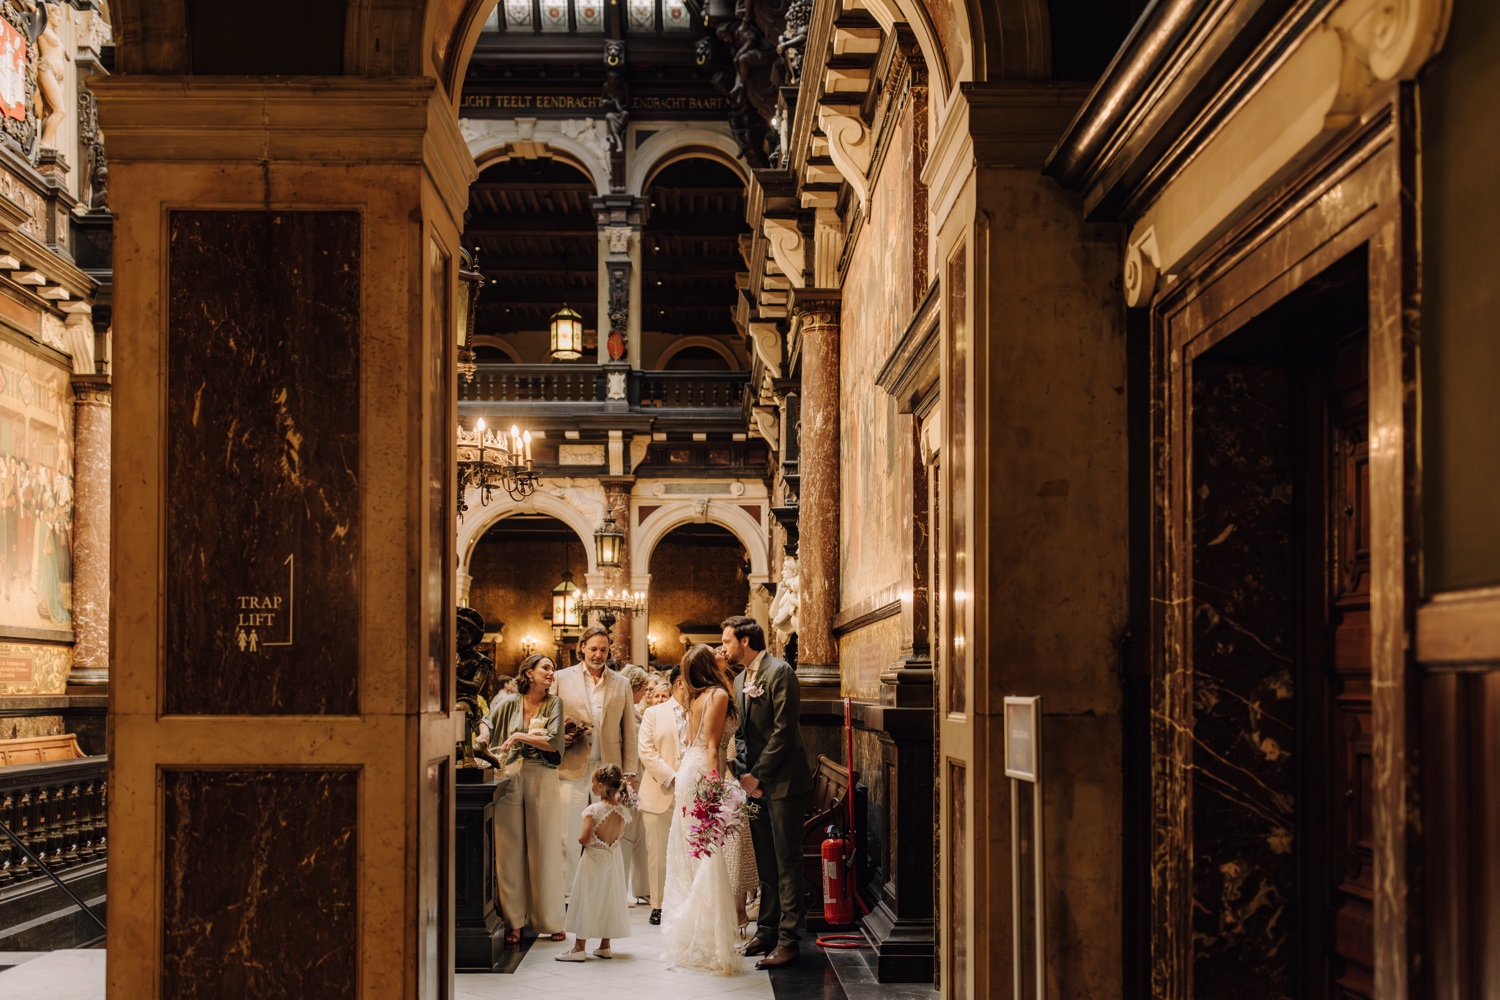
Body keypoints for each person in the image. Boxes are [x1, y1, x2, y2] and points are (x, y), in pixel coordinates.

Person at [724, 615, 813, 969]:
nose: (724, 646)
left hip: (785, 783)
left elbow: (784, 731)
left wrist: (758, 776)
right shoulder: (741, 678)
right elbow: (743, 734)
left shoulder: (781, 672)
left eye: (728, 640)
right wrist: (745, 774)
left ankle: (790, 940)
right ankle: (767, 929)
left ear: (745, 641)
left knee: (787, 860)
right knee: (765, 861)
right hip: (755, 785)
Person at [661, 644, 746, 976]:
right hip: (702, 772)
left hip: (688, 770)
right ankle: (707, 937)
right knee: (708, 854)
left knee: (697, 854)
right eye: (715, 652)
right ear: (710, 665)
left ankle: (700, 932)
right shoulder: (717, 695)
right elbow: (712, 746)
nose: (721, 650)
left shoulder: (698, 696)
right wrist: (716, 788)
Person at [477, 654, 567, 945]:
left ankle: (550, 919)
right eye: (546, 668)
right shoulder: (509, 703)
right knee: (509, 850)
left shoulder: (554, 704)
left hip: (542, 776)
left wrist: (519, 735)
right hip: (509, 776)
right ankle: (514, 922)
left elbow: (553, 741)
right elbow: (485, 721)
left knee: (545, 848)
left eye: (552, 669)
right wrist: (483, 736)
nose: (551, 673)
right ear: (529, 673)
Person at [554, 627, 640, 893]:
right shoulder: (560, 678)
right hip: (571, 766)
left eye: (603, 649)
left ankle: (602, 892)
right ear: (582, 647)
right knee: (569, 835)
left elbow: (628, 730)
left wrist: (628, 773)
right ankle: (568, 894)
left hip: (608, 770)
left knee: (606, 835)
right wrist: (559, 739)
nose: (598, 654)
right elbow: (549, 721)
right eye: (593, 648)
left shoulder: (621, 683)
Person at [556, 763, 634, 962]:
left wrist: (579, 840)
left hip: (593, 860)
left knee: (586, 898)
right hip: (613, 860)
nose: (591, 785)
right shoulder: (623, 812)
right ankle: (605, 945)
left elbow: (586, 838)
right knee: (608, 898)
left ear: (600, 787)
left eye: (592, 782)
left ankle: (579, 948)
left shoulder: (593, 810)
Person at [636, 662, 688, 925]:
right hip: (659, 790)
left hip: (692, 792)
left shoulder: (699, 710)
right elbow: (646, 751)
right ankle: (658, 904)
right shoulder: (654, 714)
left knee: (690, 850)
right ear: (680, 682)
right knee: (657, 853)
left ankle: (686, 902)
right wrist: (672, 777)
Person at [714, 645, 759, 932]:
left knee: (737, 842)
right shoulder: (715, 692)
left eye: (723, 644)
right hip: (725, 767)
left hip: (737, 766)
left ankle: (740, 909)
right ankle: (733, 910)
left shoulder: (738, 688)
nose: (721, 648)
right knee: (728, 844)